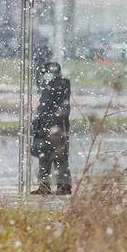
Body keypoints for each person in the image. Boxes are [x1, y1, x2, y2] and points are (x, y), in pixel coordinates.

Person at [30, 60, 72, 196]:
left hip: (57, 126)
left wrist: (56, 120)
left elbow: (64, 107)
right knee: (44, 156)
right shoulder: (45, 86)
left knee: (59, 157)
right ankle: (44, 185)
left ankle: (63, 185)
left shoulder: (62, 84)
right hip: (44, 125)